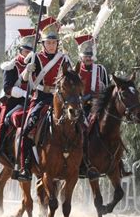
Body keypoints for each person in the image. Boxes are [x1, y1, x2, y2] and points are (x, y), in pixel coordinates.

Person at [15, 17, 71, 181]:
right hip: (41, 98)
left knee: (80, 126)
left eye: (54, 42)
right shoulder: (35, 58)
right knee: (27, 130)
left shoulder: (64, 59)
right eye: (48, 42)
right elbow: (24, 80)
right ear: (43, 43)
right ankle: (25, 167)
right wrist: (27, 70)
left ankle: (83, 163)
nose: (51, 45)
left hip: (60, 99)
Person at [0, 28, 35, 161]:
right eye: (26, 51)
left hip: (33, 100)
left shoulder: (36, 64)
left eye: (30, 51)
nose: (28, 54)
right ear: (20, 50)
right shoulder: (12, 65)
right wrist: (25, 94)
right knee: (3, 123)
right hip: (13, 102)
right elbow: (8, 88)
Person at [75, 34, 109, 180]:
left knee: (111, 127)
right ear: (81, 57)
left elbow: (107, 90)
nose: (88, 58)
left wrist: (102, 91)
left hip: (98, 107)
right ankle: (83, 161)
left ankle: (116, 162)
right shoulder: (76, 70)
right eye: (85, 56)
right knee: (82, 129)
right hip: (81, 107)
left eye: (90, 56)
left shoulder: (100, 70)